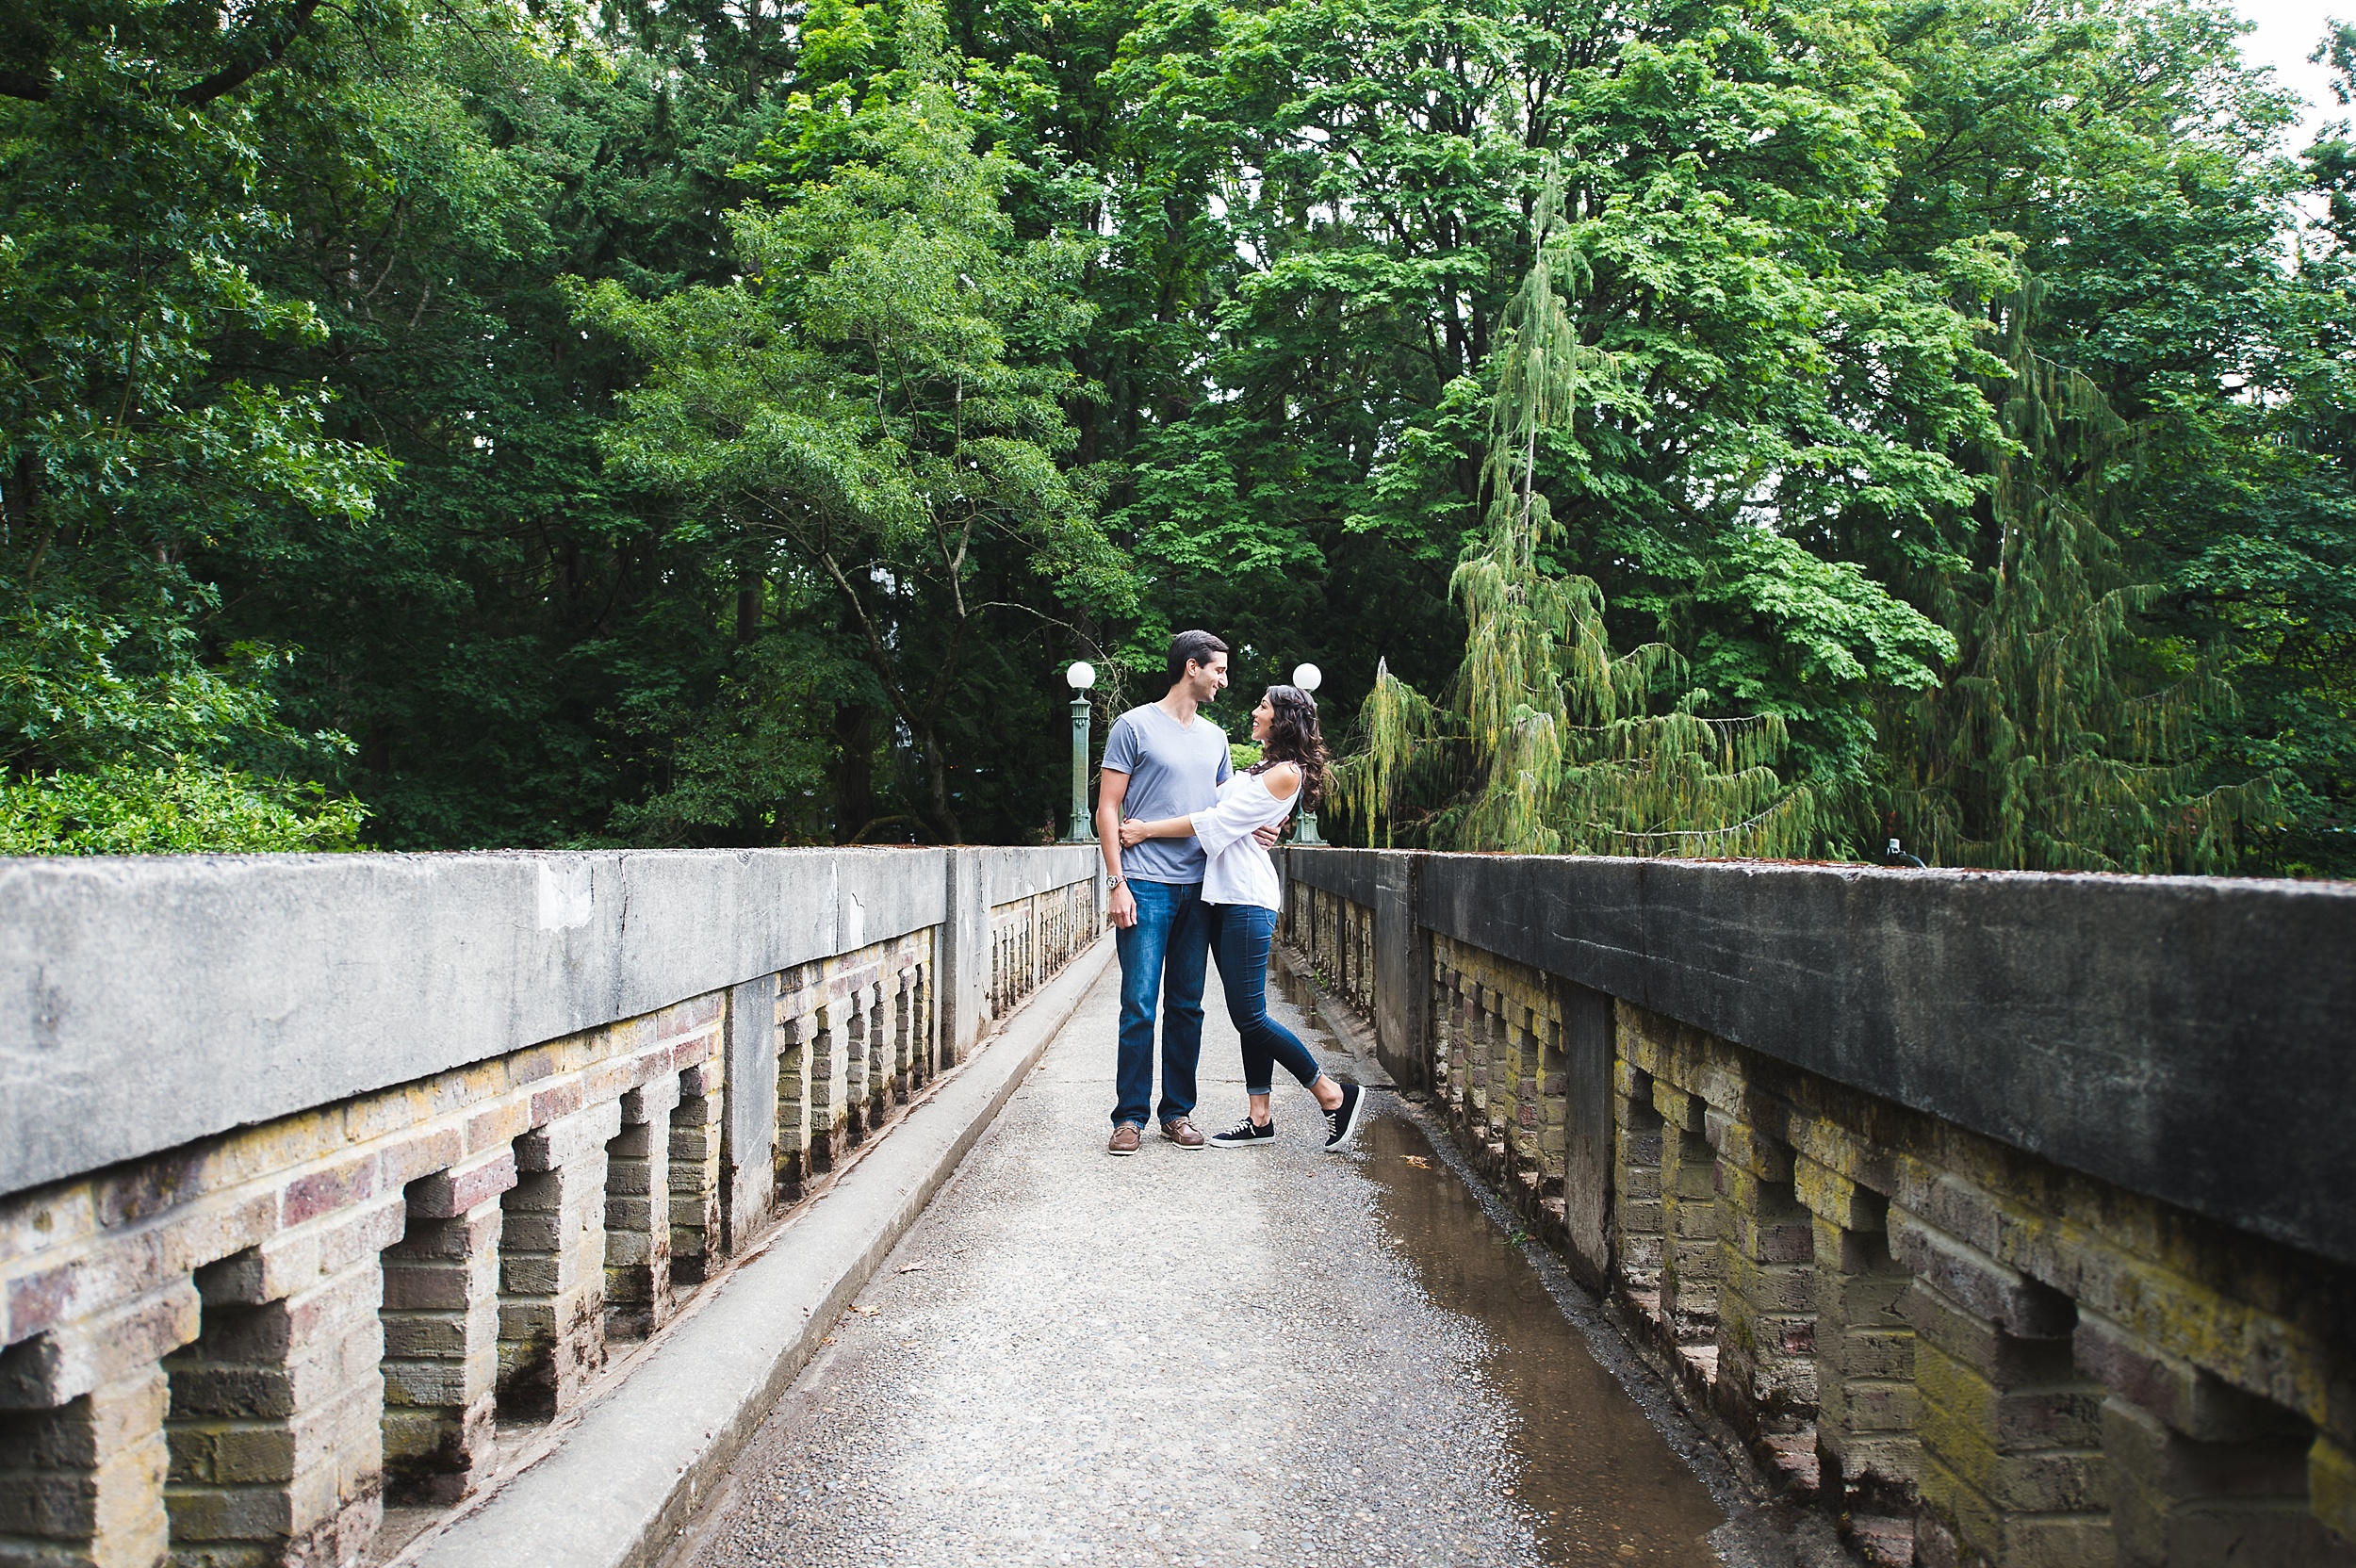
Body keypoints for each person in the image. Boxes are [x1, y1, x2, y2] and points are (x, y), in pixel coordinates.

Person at [1118, 685, 1367, 1152]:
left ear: (1285, 719)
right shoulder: (1262, 767)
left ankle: (1333, 1094)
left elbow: (1213, 820)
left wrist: (1147, 828)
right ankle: (1260, 1117)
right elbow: (1213, 805)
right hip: (1221, 895)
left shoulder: (1286, 774)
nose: (1255, 712)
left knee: (1249, 1015)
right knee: (1251, 1014)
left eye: (1264, 707)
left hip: (1246, 899)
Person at [1096, 629, 1245, 1155]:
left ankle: (1177, 1113)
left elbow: (1228, 811)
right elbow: (1107, 809)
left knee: (1187, 1005)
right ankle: (1129, 1117)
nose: (1224, 681)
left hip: (1200, 889)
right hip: (1145, 885)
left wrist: (1266, 826)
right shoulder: (1133, 726)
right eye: (1219, 670)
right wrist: (1117, 882)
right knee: (1138, 1002)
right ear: (1191, 668)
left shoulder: (1216, 739)